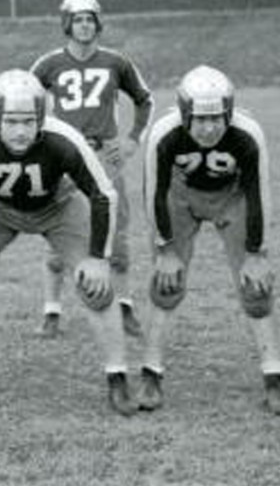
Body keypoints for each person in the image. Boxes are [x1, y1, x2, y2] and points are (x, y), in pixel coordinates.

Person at [0, 69, 136, 416]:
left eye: (28, 121)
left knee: (97, 287)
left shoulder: (63, 139)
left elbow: (103, 195)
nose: (20, 131)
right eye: (10, 121)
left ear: (41, 116)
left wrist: (98, 258)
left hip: (59, 205)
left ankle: (118, 377)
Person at [139, 65, 280, 413]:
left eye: (217, 118)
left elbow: (259, 192)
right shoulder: (164, 133)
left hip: (232, 197)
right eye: (199, 119)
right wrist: (165, 248)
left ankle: (273, 375)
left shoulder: (247, 134)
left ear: (229, 113)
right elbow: (153, 192)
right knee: (166, 282)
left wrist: (256, 252)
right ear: (184, 114)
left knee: (256, 286)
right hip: (180, 196)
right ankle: (150, 373)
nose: (208, 127)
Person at [30, 0, 154, 339]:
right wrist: (40, 144)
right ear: (66, 25)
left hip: (104, 158)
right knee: (55, 237)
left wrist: (132, 140)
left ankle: (125, 307)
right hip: (64, 158)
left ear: (98, 24)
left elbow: (145, 100)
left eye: (89, 20)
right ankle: (51, 312)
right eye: (78, 20)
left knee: (117, 235)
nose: (84, 26)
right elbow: (24, 100)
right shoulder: (48, 64)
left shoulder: (116, 62)